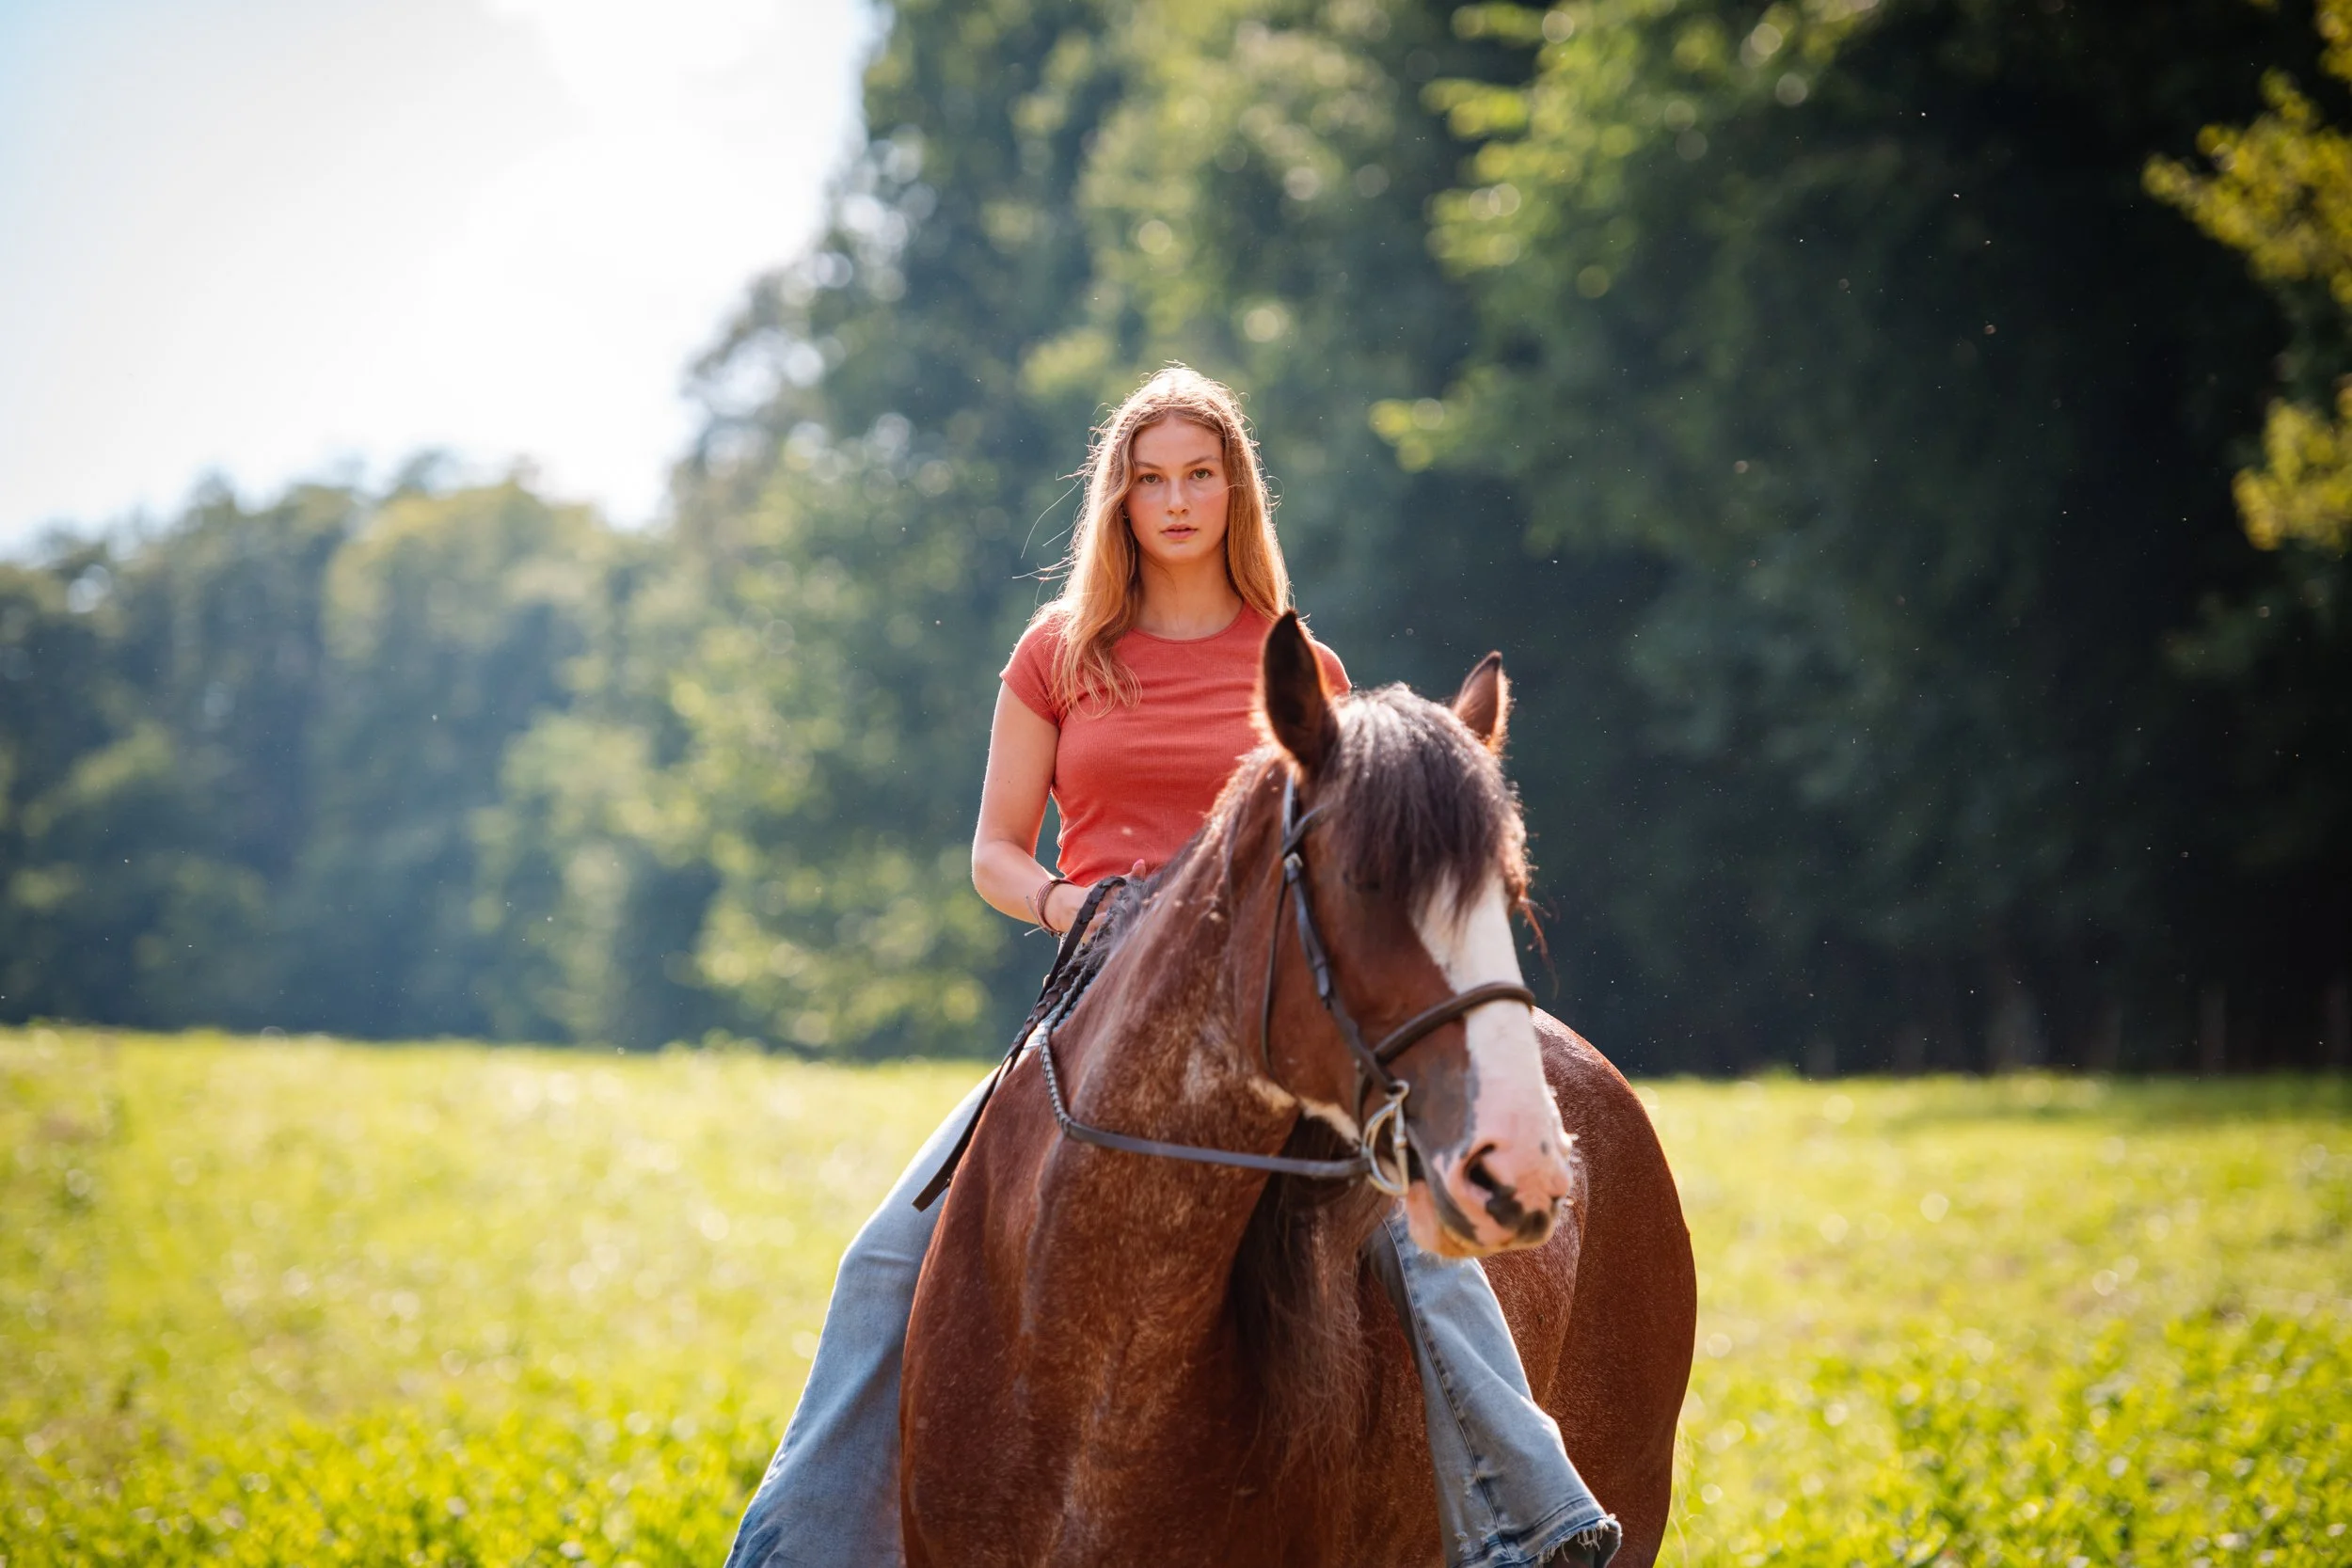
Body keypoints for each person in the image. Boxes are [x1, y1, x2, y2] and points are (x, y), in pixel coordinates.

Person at [721, 367, 1620, 1568]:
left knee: (1420, 1245)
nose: (1178, 499)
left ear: (1236, 491)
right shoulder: (1058, 651)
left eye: (1202, 474)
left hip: (1271, 1020)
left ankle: (1530, 1511)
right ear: (1120, 497)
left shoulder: (1306, 667)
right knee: (888, 1246)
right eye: (1152, 478)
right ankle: (805, 1546)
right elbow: (991, 849)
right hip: (1093, 999)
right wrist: (1066, 899)